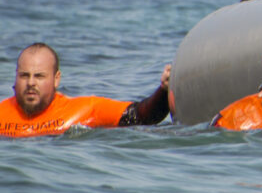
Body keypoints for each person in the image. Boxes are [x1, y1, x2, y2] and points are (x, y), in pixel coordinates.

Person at [1, 43, 170, 137]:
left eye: (39, 76)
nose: (31, 83)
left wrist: (163, 90)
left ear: (56, 79)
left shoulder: (85, 110)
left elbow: (142, 116)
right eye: (24, 75)